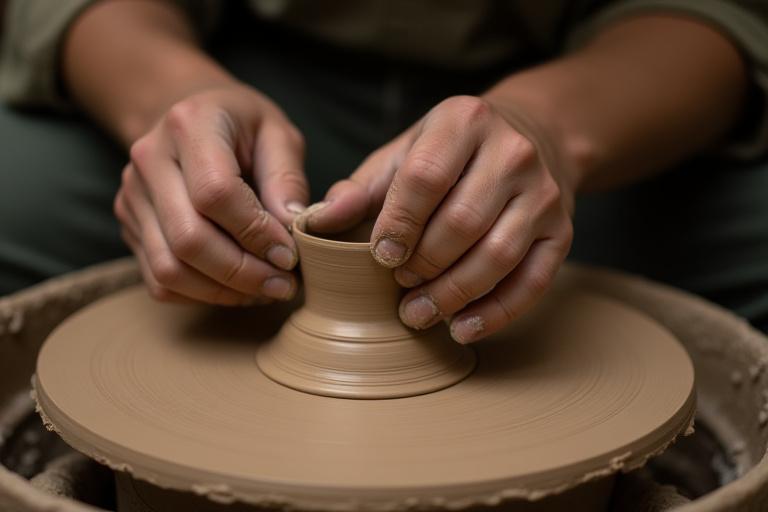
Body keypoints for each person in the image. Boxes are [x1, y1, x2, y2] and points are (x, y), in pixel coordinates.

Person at [1, 0, 767, 340]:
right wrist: (169, 96)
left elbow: (714, 12)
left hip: (586, 92)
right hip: (245, 74)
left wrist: (553, 132)